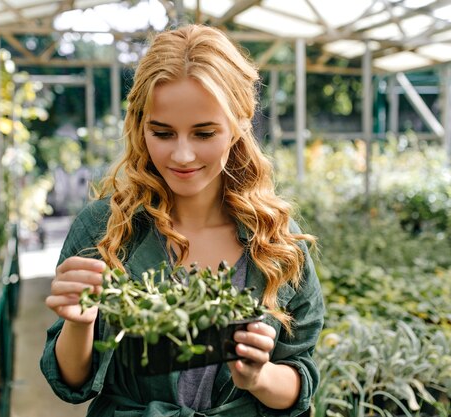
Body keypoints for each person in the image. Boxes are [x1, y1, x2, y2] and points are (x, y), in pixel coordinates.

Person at [40, 24, 325, 417]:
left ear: (239, 124)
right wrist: (79, 324)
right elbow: (72, 383)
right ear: (141, 124)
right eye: (163, 132)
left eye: (204, 133)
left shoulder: (276, 242)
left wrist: (259, 377)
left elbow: (301, 377)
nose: (183, 155)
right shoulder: (104, 229)